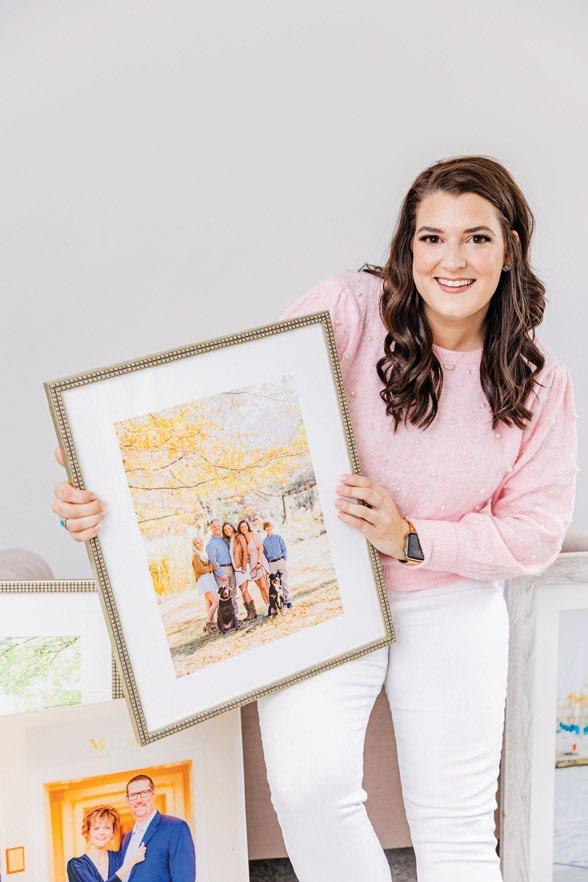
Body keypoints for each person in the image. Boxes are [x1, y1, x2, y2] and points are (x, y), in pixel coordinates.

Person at [51, 155, 579, 882]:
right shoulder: (352, 309)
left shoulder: (539, 381)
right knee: (308, 789)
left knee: (456, 825)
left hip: (450, 595)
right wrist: (108, 488)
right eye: (432, 238)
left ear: (510, 248)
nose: (452, 261)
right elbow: (243, 411)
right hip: (328, 592)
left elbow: (535, 531)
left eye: (477, 238)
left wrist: (411, 537)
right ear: (408, 245)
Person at [118, 774, 195, 882]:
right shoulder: (127, 839)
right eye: (133, 795)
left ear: (153, 794)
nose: (139, 799)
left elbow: (184, 877)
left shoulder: (176, 827)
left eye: (144, 793)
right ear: (127, 800)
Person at [66, 804, 145, 882]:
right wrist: (129, 864)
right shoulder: (76, 865)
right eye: (96, 828)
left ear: (113, 832)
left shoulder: (121, 858)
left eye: (107, 828)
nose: (101, 832)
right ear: (88, 832)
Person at [205, 518, 242, 625]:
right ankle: (226, 621)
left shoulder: (224, 540)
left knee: (233, 593)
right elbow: (213, 562)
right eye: (214, 526)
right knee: (226, 596)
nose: (217, 528)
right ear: (211, 529)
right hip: (222, 570)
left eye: (218, 525)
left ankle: (236, 617)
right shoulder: (211, 544)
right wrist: (221, 574)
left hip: (231, 568)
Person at [224, 520, 258, 620]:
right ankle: (249, 613)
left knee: (244, 591)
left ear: (232, 527)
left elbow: (245, 550)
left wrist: (243, 566)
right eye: (225, 530)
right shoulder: (230, 540)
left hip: (242, 568)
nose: (227, 530)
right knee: (242, 591)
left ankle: (253, 612)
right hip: (237, 570)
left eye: (229, 528)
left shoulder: (239, 536)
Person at [237, 518, 270, 605]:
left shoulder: (254, 534)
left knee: (264, 586)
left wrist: (259, 562)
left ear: (248, 526)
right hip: (252, 565)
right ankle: (268, 606)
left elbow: (260, 548)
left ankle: (273, 606)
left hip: (260, 561)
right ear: (240, 529)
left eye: (245, 526)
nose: (244, 528)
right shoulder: (242, 540)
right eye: (242, 527)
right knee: (260, 588)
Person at [191, 535, 220, 634]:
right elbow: (200, 569)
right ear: (194, 545)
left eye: (201, 541)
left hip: (208, 578)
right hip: (203, 580)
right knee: (216, 601)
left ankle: (212, 625)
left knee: (209, 604)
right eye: (197, 543)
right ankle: (208, 623)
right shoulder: (196, 555)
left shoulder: (203, 553)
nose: (200, 544)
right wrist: (212, 566)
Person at [262, 520, 292, 607]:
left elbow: (284, 548)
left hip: (280, 561)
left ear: (272, 527)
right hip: (272, 564)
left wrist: (284, 559)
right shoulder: (264, 541)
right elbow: (264, 554)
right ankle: (280, 601)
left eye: (270, 527)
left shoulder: (278, 537)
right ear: (265, 529)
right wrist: (268, 565)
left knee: (284, 582)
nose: (269, 529)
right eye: (267, 528)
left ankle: (288, 601)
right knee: (275, 584)